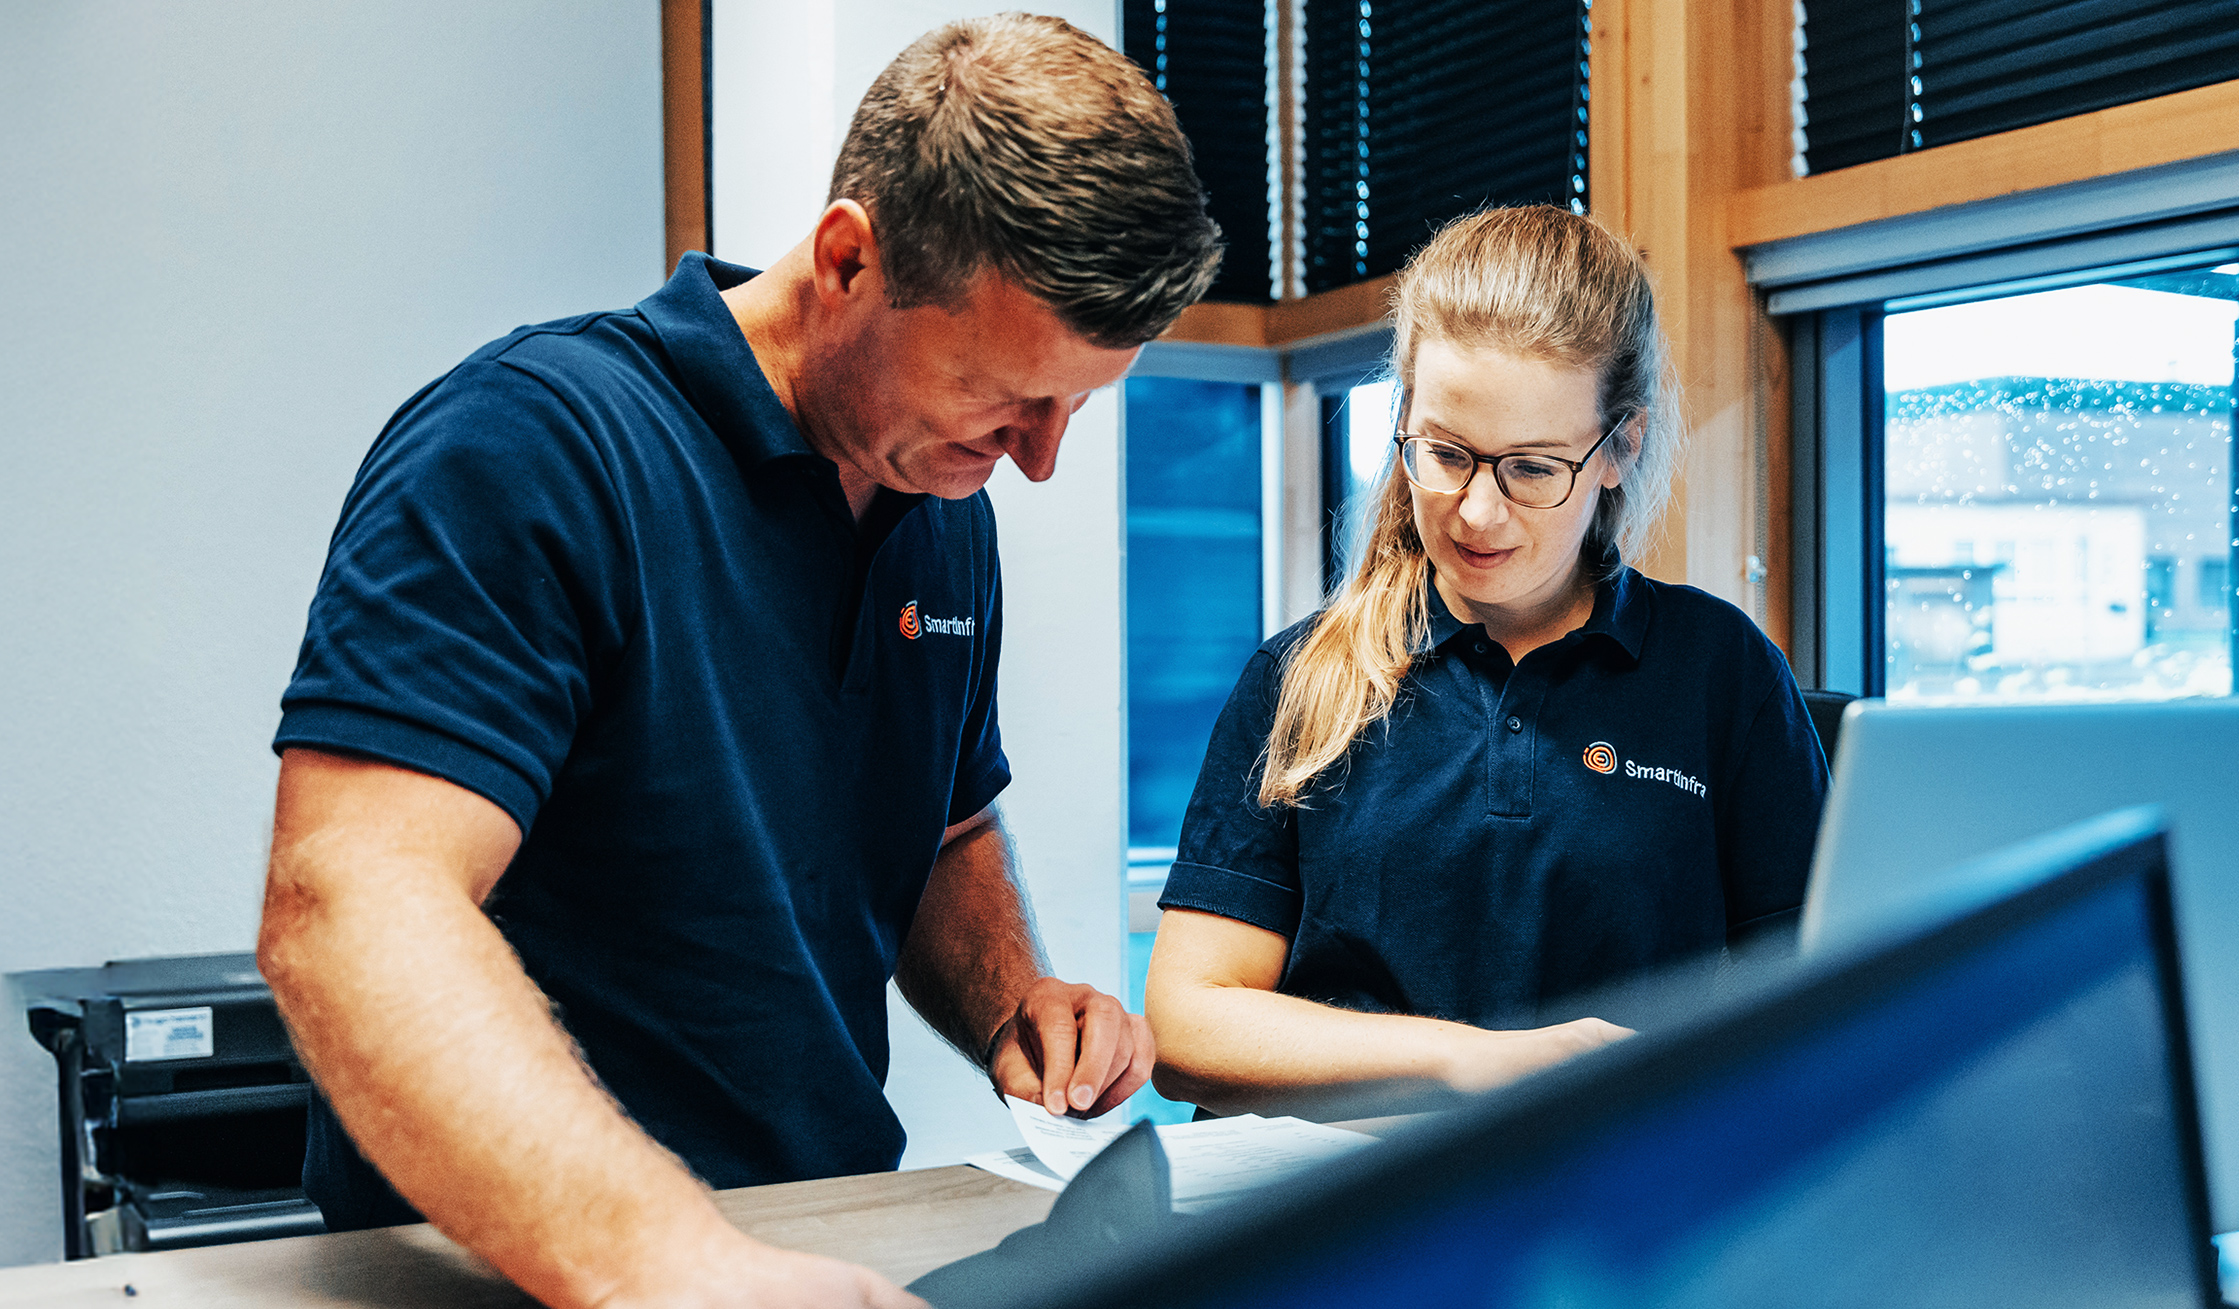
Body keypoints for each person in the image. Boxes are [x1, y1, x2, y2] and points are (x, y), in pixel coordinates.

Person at [256, 15, 1221, 1309]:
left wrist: (1013, 1002)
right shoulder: (532, 451)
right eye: (1004, 399)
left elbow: (937, 820)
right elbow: (349, 905)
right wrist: (663, 1260)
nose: (1039, 458)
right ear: (845, 260)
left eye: (1075, 408)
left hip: (813, 1234)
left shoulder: (942, 514)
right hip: (520, 1263)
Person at [1144, 206, 1826, 1118]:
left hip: (1609, 1202)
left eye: (1532, 469)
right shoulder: (1301, 678)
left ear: (1618, 447)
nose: (1474, 513)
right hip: (1338, 1209)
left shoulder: (1722, 674)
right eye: (1446, 454)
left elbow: (1809, 1002)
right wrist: (1469, 1060)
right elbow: (1189, 1031)